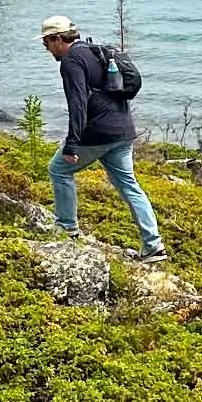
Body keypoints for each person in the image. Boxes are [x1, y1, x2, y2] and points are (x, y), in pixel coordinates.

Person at [40, 14, 166, 260]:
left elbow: (77, 104)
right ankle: (153, 245)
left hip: (97, 133)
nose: (46, 49)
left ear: (57, 39)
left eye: (46, 43)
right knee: (129, 185)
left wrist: (72, 143)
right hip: (123, 130)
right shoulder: (94, 50)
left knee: (58, 170)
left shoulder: (71, 61)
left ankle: (67, 228)